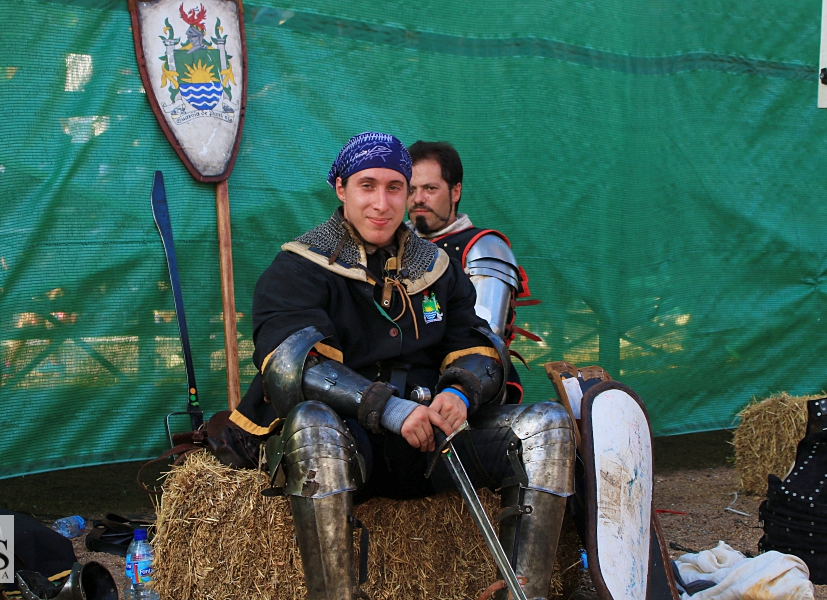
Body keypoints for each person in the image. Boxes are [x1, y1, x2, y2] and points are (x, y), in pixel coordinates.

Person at [228, 132, 575, 599]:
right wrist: (387, 409)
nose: (382, 203)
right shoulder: (299, 267)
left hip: (435, 441)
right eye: (367, 186)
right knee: (311, 426)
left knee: (547, 425)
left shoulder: (436, 266)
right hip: (351, 442)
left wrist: (461, 391)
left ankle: (524, 594)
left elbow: (477, 342)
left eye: (395, 188)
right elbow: (295, 367)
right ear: (341, 189)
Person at [407, 140, 539, 403]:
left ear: (455, 191)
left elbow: (482, 338)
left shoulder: (483, 248)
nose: (419, 198)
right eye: (411, 189)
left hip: (466, 386)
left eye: (430, 188)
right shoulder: (391, 246)